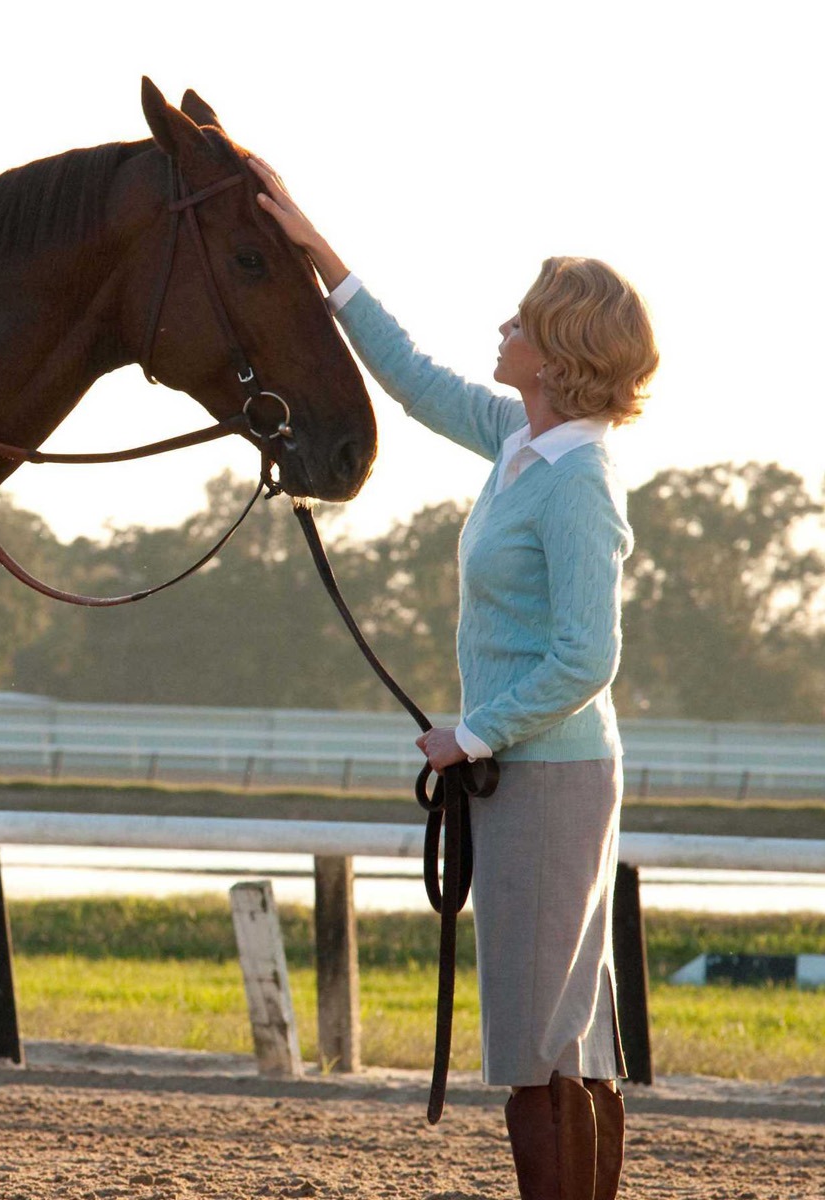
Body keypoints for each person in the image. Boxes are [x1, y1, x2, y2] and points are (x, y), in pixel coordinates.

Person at [251, 159, 658, 1200]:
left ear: (560, 351)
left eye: (521, 321)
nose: (503, 329)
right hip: (546, 772)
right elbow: (411, 372)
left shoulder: (576, 482)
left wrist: (473, 735)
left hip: (544, 774)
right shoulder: (522, 440)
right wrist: (315, 253)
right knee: (572, 1038)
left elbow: (585, 658)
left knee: (534, 1045)